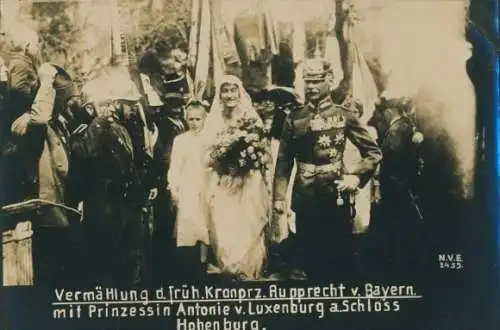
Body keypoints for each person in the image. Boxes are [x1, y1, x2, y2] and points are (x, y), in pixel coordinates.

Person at [272, 58, 382, 280]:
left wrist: (355, 177)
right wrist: (279, 196)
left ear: (328, 82)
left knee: (337, 253)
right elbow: (284, 160)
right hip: (305, 192)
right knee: (307, 252)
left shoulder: (344, 115)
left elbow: (373, 152)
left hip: (335, 192)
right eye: (308, 82)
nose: (311, 87)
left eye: (317, 81)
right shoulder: (295, 117)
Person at [71, 69, 159, 286]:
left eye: (111, 104)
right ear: (91, 108)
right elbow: (87, 152)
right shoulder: (85, 131)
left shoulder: (119, 129)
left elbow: (129, 165)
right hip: (101, 203)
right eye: (104, 104)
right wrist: (98, 121)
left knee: (126, 257)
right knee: (103, 259)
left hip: (121, 203)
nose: (110, 109)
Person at [202, 75, 270, 280]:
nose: (229, 95)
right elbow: (206, 155)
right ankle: (228, 265)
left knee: (248, 221)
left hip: (247, 180)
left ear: (240, 93)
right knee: (223, 221)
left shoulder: (251, 118)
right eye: (225, 91)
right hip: (223, 179)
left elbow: (261, 149)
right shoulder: (213, 119)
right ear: (220, 95)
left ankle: (248, 267)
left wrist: (248, 156)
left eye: (233, 90)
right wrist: (222, 153)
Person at [367, 96, 424, 278]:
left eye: (383, 111)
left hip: (395, 184)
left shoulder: (396, 130)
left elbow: (391, 158)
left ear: (390, 110)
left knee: (397, 223)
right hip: (404, 182)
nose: (382, 115)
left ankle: (399, 263)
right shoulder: (407, 125)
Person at [168, 100, 210, 280]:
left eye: (198, 119)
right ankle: (188, 268)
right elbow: (175, 167)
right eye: (191, 119)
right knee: (188, 226)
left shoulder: (211, 139)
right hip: (188, 187)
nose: (194, 123)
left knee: (205, 227)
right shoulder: (181, 140)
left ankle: (204, 264)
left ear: (204, 119)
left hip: (207, 185)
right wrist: (174, 188)